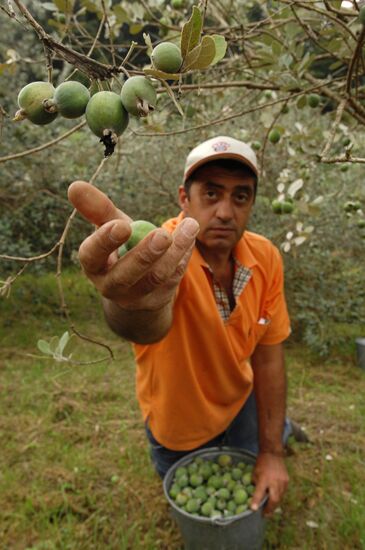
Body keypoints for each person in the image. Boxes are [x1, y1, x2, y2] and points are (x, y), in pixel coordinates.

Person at [68, 135, 295, 516]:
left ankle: (284, 433)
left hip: (241, 406)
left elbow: (269, 358)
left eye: (240, 196)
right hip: (179, 426)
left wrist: (271, 451)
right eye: (211, 194)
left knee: (244, 483)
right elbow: (144, 321)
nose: (225, 211)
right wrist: (131, 303)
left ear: (252, 203)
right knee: (197, 508)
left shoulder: (266, 257)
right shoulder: (163, 258)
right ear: (183, 198)